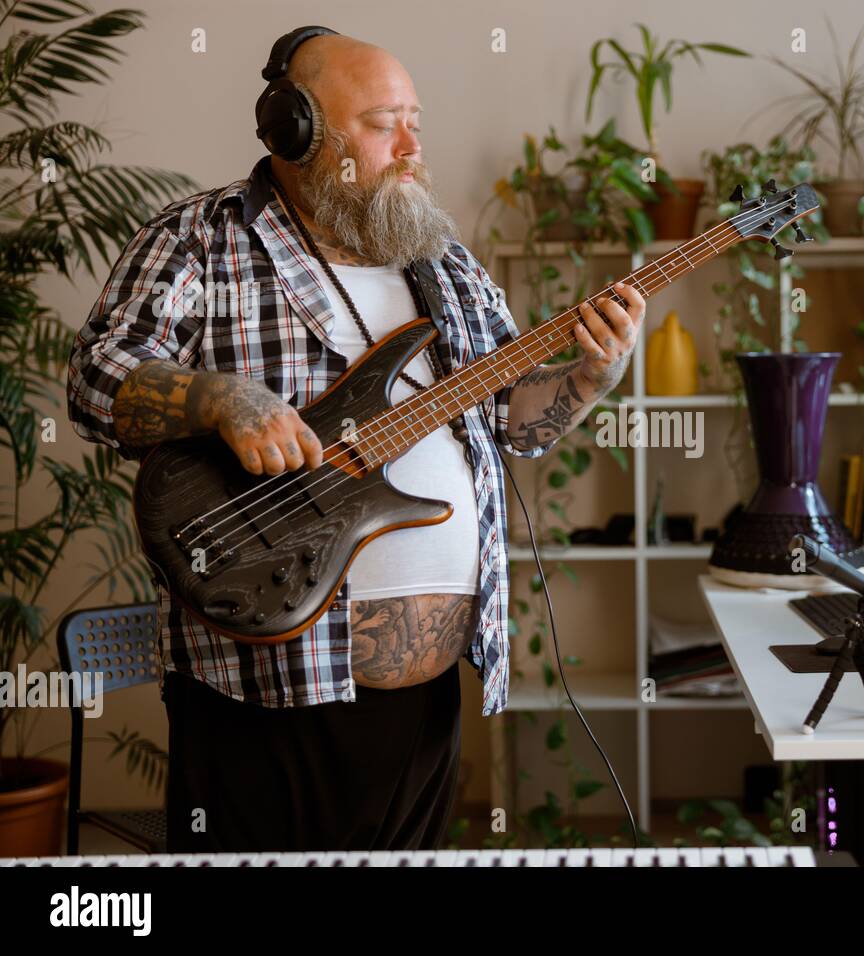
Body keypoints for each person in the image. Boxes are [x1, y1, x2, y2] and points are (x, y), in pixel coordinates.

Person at [65, 26, 645, 852]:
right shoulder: (203, 238)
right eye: (383, 123)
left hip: (427, 702)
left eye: (415, 119)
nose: (412, 145)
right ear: (297, 131)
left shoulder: (444, 263)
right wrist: (218, 398)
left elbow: (514, 425)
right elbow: (93, 381)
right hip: (264, 695)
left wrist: (591, 376)